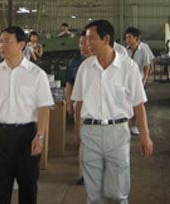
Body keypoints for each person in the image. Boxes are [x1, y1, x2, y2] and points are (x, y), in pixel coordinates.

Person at [72, 20, 153, 204]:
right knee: (94, 194)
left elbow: (138, 104)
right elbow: (79, 102)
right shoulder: (85, 68)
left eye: (91, 39)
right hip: (90, 132)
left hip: (118, 132)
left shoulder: (128, 67)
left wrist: (145, 136)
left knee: (117, 193)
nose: (86, 44)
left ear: (106, 39)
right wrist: (77, 129)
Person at [0, 26, 54, 204]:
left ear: (21, 45)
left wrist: (40, 136)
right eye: (0, 41)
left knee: (28, 187)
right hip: (0, 136)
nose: (1, 46)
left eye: (7, 41)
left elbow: (43, 107)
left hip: (26, 136)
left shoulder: (37, 74)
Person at [65, 30, 93, 186]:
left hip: (95, 109)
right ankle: (84, 174)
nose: (82, 46)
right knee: (82, 142)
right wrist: (69, 102)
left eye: (85, 43)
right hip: (79, 106)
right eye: (80, 43)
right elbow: (69, 83)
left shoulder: (100, 62)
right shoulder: (75, 62)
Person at [125, 27, 154, 136]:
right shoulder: (125, 50)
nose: (128, 40)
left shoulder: (143, 50)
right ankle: (126, 125)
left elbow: (146, 66)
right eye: (126, 37)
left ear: (136, 38)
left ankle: (135, 126)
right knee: (127, 103)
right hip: (127, 81)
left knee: (138, 104)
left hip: (139, 80)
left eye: (130, 37)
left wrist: (144, 80)